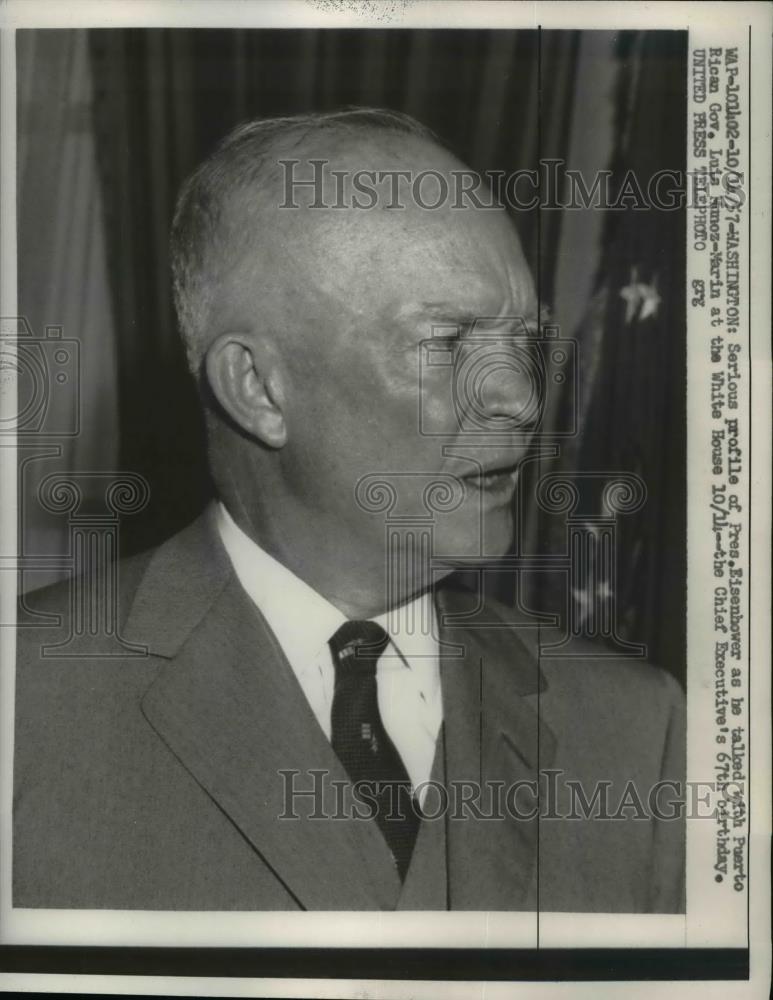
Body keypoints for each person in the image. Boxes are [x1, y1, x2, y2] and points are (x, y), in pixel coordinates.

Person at [14, 108, 685, 912]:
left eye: (524, 342)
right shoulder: (28, 705)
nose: (520, 396)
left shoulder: (634, 732)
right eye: (448, 343)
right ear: (259, 388)